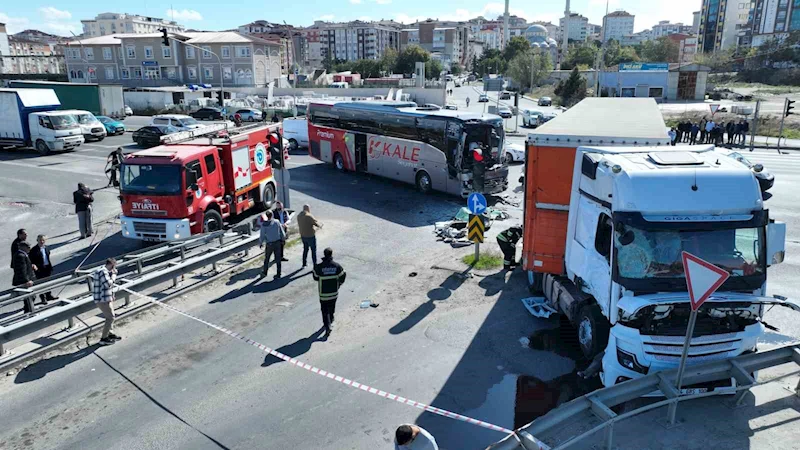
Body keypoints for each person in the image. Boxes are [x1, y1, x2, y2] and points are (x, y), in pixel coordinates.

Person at [312, 247, 346, 338]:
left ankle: (327, 327)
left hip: (323, 294)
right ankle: (331, 319)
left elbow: (315, 277)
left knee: (324, 311)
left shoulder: (319, 267)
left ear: (324, 254)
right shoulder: (337, 266)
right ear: (331, 254)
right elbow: (343, 276)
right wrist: (339, 284)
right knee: (331, 308)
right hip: (334, 293)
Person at [93, 258, 121, 346]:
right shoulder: (102, 272)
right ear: (112, 265)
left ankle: (110, 333)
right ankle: (103, 338)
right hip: (102, 299)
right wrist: (114, 275)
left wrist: (112, 295)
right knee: (110, 317)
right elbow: (108, 284)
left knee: (111, 316)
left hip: (106, 298)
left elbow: (106, 286)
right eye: (114, 266)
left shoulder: (103, 271)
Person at [28, 234, 57, 304]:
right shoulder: (34, 250)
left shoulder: (46, 247)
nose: (42, 241)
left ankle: (48, 295)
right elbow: (30, 260)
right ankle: (43, 298)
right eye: (40, 240)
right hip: (39, 269)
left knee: (48, 282)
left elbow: (47, 256)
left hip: (47, 267)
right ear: (37, 240)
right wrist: (33, 265)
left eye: (43, 240)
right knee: (41, 284)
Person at [259, 210, 286, 280]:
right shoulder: (277, 222)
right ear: (272, 215)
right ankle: (278, 273)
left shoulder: (264, 225)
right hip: (277, 243)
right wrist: (283, 239)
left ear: (266, 216)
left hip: (269, 244)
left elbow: (262, 235)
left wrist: (260, 243)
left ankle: (265, 272)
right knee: (278, 259)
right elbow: (281, 231)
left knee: (267, 258)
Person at [12, 241, 36, 314]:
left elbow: (25, 266)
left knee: (29, 297)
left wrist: (31, 266)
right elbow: (22, 270)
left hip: (25, 280)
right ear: (22, 247)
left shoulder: (22, 254)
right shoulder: (20, 256)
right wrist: (27, 280)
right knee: (30, 297)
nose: (29, 249)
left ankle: (28, 311)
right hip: (24, 281)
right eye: (28, 247)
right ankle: (28, 312)